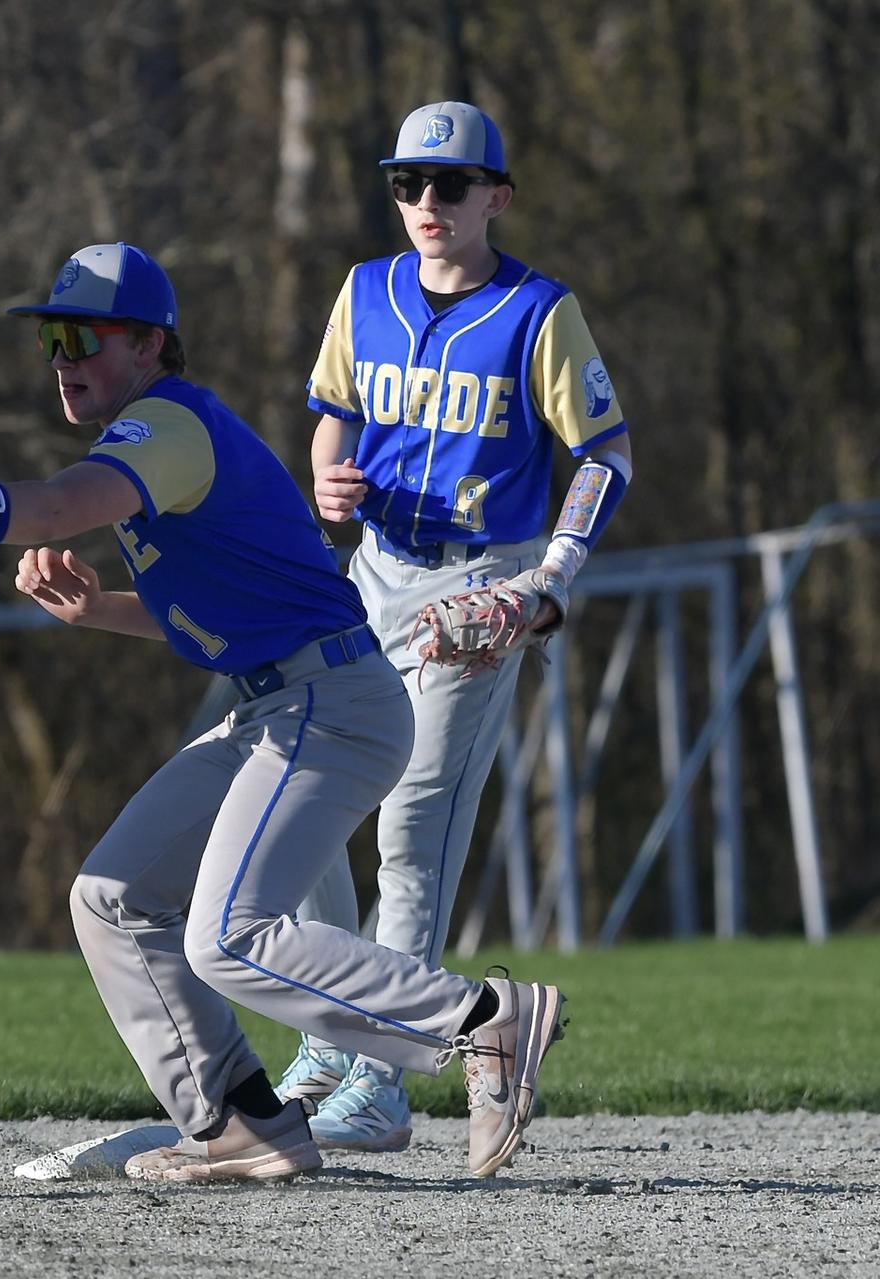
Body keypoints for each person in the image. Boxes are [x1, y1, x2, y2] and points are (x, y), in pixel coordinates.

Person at [0, 242, 566, 1181]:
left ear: (151, 343)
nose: (63, 357)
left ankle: (482, 1020)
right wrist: (97, 609)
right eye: (51, 341)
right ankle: (241, 1120)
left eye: (84, 336)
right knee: (111, 898)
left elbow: (50, 506)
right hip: (280, 704)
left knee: (230, 934)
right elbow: (225, 622)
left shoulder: (169, 426)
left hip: (333, 705)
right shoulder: (156, 436)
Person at [276, 101, 632, 1153]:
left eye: (451, 185)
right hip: (372, 570)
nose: (426, 203)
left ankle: (382, 1083)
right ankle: (330, 1041)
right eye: (407, 183)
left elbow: (607, 454)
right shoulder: (366, 289)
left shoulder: (538, 310)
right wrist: (323, 475)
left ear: (497, 197)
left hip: (479, 587)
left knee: (410, 826)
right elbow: (334, 409)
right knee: (300, 803)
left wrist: (546, 583)